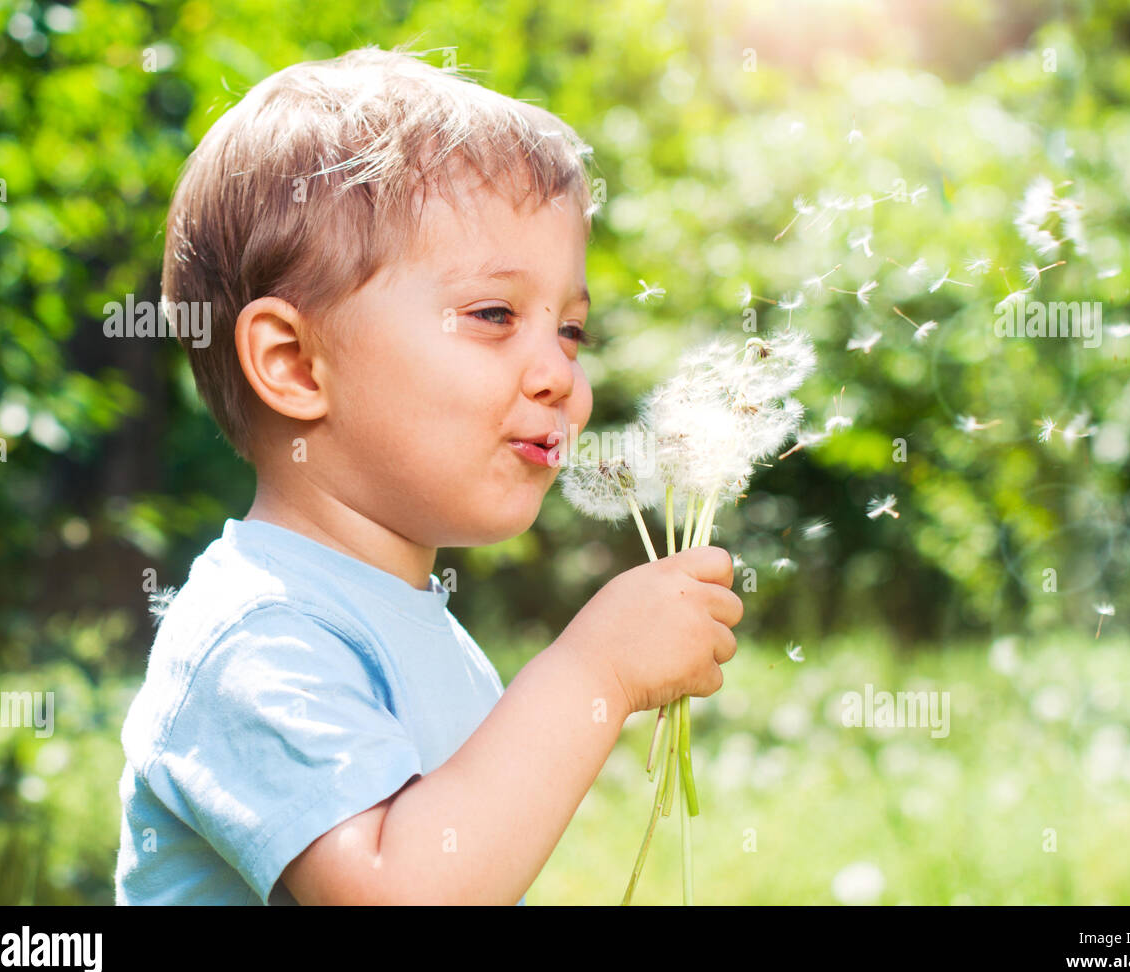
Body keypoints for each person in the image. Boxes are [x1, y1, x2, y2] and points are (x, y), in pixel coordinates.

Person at [114, 44, 742, 905]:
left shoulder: (428, 636)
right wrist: (595, 671)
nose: (562, 375)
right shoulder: (254, 637)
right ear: (295, 364)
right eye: (493, 315)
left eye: (569, 330)